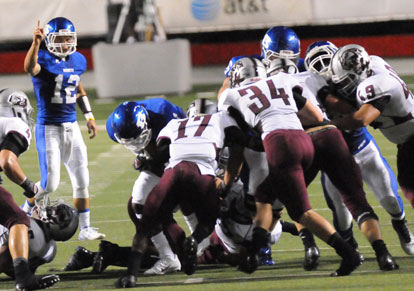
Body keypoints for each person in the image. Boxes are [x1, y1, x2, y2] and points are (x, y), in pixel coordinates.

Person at [218, 59, 365, 277]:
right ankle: (254, 252)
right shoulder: (280, 80)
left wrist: (227, 182)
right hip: (305, 141)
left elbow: (239, 141)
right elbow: (315, 116)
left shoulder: (230, 96)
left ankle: (348, 254)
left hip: (280, 144)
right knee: (264, 195)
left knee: (301, 212)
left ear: (237, 77)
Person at [305, 40, 414, 255]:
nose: (344, 85)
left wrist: (325, 124)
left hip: (404, 140)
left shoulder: (373, 85)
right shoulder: (371, 62)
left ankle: (402, 227)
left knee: (399, 195)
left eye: (346, 80)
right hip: (402, 142)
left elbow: (361, 118)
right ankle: (351, 247)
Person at [115, 108, 245, 288]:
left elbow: (160, 156)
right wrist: (227, 183)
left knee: (145, 225)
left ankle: (130, 276)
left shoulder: (173, 124)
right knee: (208, 222)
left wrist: (144, 163)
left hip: (174, 172)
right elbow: (240, 144)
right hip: (203, 172)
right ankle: (195, 240)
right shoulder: (220, 118)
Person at [23, 17, 105, 241]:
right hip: (49, 128)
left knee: (82, 180)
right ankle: (22, 211)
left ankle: (86, 228)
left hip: (71, 127)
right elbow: (29, 67)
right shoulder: (42, 58)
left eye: (68, 38)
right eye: (60, 39)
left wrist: (88, 115)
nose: (65, 43)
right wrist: (35, 43)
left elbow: (77, 85)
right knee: (50, 184)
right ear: (49, 40)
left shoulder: (78, 59)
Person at [106, 99, 186, 276]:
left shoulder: (164, 114)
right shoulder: (113, 128)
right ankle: (169, 257)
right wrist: (145, 161)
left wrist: (147, 161)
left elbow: (177, 149)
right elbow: (147, 158)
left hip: (182, 152)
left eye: (138, 140)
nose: (135, 146)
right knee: (138, 204)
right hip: (156, 158)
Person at [0, 88, 59, 290]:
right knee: (18, 220)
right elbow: (7, 161)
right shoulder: (14, 123)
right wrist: (28, 186)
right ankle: (24, 279)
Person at [1, 202, 79, 278]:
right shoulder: (50, 249)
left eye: (49, 211)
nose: (43, 209)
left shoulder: (32, 230)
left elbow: (5, 259)